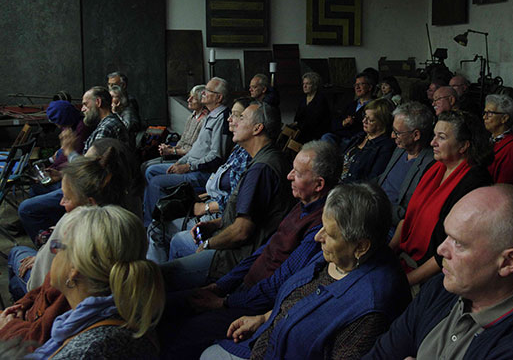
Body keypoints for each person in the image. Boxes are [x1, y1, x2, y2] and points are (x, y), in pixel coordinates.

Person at [156, 141, 341, 358]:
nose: (289, 176)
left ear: (319, 185)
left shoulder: (321, 225)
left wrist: (223, 302)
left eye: (297, 174)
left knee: (178, 333)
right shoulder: (301, 205)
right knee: (165, 306)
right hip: (241, 291)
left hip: (253, 307)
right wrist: (220, 286)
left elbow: (280, 282)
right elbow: (263, 251)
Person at [199, 183, 411, 360]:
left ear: (361, 246)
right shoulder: (338, 255)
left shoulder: (372, 310)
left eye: (330, 234)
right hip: (263, 339)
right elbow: (298, 300)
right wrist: (264, 318)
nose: (318, 237)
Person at [364, 185, 513, 359]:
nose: (441, 249)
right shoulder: (441, 288)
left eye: (459, 243)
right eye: (447, 236)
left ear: (508, 262)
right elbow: (381, 354)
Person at [0, 140, 141, 348]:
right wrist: (25, 303)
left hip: (33, 317)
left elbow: (39, 328)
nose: (61, 203)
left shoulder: (74, 276)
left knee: (17, 254)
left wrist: (11, 325)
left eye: (66, 197)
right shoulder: (126, 220)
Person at [160, 102, 290, 291]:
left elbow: (241, 232)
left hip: (236, 257)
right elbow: (251, 215)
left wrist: (208, 244)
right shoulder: (265, 159)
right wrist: (215, 224)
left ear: (257, 128)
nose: (234, 121)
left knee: (160, 274)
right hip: (234, 244)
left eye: (241, 118)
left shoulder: (261, 169)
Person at [24, 206, 164, 359]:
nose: (54, 254)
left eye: (57, 247)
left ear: (73, 269)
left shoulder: (86, 351)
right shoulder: (128, 310)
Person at [390, 110, 494, 287]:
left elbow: (452, 250)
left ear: (463, 146)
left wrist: (406, 282)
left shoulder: (475, 183)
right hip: (404, 258)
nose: (433, 142)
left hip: (432, 275)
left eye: (442, 137)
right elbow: (407, 219)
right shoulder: (434, 167)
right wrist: (387, 254)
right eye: (434, 135)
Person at [146, 98, 253, 263]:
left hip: (210, 201)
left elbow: (235, 202)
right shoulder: (239, 148)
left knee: (159, 223)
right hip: (207, 198)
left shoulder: (249, 157)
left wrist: (205, 207)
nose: (229, 119)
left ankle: (162, 271)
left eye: (237, 115)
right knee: (149, 170)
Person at [19, 86, 129, 243]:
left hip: (92, 190)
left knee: (26, 209)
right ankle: (56, 233)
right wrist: (61, 173)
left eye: (85, 104)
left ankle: (51, 247)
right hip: (86, 184)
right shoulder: (103, 124)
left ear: (98, 102)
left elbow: (88, 170)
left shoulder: (107, 127)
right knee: (36, 189)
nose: (82, 109)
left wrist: (69, 150)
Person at [143, 77, 230, 226]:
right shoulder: (210, 115)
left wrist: (187, 167)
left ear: (219, 97)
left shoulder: (222, 118)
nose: (203, 93)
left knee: (156, 183)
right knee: (150, 171)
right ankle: (161, 216)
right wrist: (180, 162)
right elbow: (195, 148)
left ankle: (154, 225)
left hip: (202, 173)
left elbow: (216, 157)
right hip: (189, 164)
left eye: (208, 91)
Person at [375, 102, 435, 228]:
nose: (392, 136)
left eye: (397, 132)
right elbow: (383, 179)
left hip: (389, 222)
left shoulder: (430, 164)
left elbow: (408, 213)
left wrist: (376, 206)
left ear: (416, 135)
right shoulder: (400, 149)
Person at [339, 98, 396, 183]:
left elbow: (372, 179)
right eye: (364, 116)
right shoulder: (360, 137)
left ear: (382, 123)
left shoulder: (386, 147)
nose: (364, 121)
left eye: (370, 120)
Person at [152, 85, 208, 163]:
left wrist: (172, 151)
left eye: (194, 98)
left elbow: (197, 150)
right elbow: (182, 142)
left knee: (150, 167)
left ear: (202, 101)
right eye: (189, 96)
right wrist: (170, 148)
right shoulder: (191, 117)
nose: (188, 100)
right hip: (180, 155)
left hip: (191, 160)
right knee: (145, 164)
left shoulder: (205, 120)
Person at [483, 93, 513, 185]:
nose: (484, 117)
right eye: (485, 113)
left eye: (489, 113)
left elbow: (504, 185)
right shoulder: (488, 141)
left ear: (504, 118)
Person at [322, 72, 375, 145]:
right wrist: (343, 123)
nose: (357, 87)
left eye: (361, 84)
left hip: (357, 140)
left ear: (370, 87)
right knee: (326, 137)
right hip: (341, 137)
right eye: (356, 85)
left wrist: (353, 122)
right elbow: (335, 122)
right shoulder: (351, 104)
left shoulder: (375, 105)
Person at [292, 72, 331, 144]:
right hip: (302, 131)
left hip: (315, 133)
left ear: (315, 85)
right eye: (303, 84)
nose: (304, 86)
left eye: (307, 84)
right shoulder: (303, 99)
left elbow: (316, 120)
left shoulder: (320, 99)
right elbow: (297, 117)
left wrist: (300, 125)